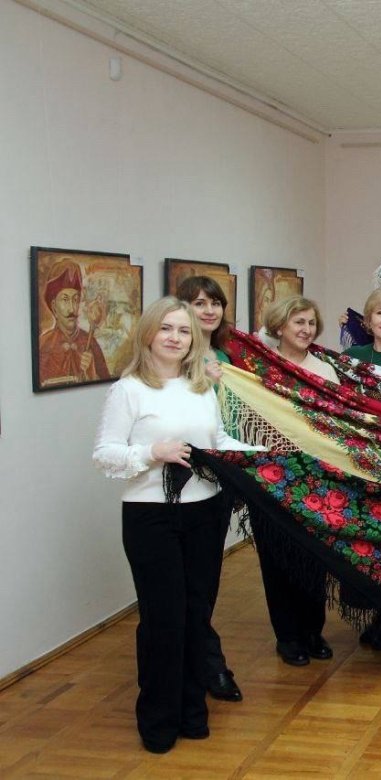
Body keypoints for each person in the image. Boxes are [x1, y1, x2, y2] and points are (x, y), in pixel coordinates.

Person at [93, 297, 255, 753]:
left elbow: (218, 440)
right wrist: (152, 453)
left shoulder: (201, 387)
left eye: (184, 331)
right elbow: (104, 454)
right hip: (150, 517)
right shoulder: (129, 390)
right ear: (149, 333)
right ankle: (158, 719)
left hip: (205, 512)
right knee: (163, 618)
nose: (175, 338)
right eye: (166, 328)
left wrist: (268, 457)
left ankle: (192, 711)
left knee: (196, 613)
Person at [256, 296, 336, 665]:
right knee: (276, 557)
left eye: (310, 323)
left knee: (313, 557)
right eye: (298, 322)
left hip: (315, 477)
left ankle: (312, 631)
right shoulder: (260, 367)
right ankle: (287, 636)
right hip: (270, 476)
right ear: (279, 326)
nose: (305, 330)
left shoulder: (324, 371)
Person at [174, 276, 240, 703]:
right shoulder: (174, 359)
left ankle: (201, 659)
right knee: (180, 584)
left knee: (205, 580)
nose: (210, 310)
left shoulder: (225, 355)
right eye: (199, 303)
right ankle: (205, 664)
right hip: (180, 483)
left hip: (220, 478)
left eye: (215, 303)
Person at [39, 258, 111, 386]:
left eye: (75, 300)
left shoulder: (91, 343)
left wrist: (91, 373)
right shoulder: (44, 344)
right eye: (65, 300)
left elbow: (108, 384)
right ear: (54, 307)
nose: (72, 309)